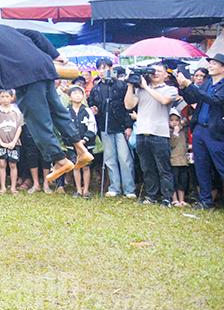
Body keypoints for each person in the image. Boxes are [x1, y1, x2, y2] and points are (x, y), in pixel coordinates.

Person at [0, 10, 92, 184]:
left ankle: (60, 160)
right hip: (44, 66)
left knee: (37, 121)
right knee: (57, 112)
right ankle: (82, 150)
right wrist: (56, 55)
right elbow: (36, 35)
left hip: (25, 75)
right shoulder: (5, 28)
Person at [174, 54, 224, 210]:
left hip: (215, 131)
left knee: (221, 166)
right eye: (210, 63)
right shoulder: (208, 83)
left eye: (214, 63)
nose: (211, 65)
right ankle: (205, 201)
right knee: (201, 166)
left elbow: (215, 100)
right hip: (200, 129)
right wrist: (184, 87)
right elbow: (193, 98)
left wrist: (191, 84)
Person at [124, 64, 178, 206]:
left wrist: (146, 87)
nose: (155, 74)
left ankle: (167, 198)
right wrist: (131, 85)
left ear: (166, 75)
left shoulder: (170, 89)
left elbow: (164, 100)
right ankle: (151, 196)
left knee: (163, 168)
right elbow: (129, 105)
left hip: (160, 134)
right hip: (142, 132)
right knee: (147, 168)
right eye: (152, 71)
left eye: (159, 71)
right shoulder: (141, 89)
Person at [90, 61, 135, 198]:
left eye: (105, 68)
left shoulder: (121, 85)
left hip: (120, 126)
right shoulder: (96, 89)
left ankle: (129, 188)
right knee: (109, 158)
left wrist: (128, 126)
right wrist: (94, 109)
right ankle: (114, 187)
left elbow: (128, 106)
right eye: (100, 68)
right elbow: (92, 104)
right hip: (105, 126)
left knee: (124, 158)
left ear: (111, 69)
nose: (103, 70)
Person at [0, 89, 24, 193]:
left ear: (12, 97)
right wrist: (0, 141)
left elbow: (19, 127)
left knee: (13, 164)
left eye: (7, 96)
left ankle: (13, 187)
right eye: (2, 97)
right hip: (1, 142)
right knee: (2, 163)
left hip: (14, 142)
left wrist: (14, 141)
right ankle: (3, 187)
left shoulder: (16, 111)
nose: (5, 99)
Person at [66, 85, 96, 198]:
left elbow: (92, 127)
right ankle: (78, 190)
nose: (78, 96)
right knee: (76, 166)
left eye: (80, 93)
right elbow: (64, 128)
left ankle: (86, 190)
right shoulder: (66, 111)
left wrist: (84, 140)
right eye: (74, 93)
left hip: (86, 144)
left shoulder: (87, 111)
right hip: (72, 145)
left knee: (86, 166)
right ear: (69, 97)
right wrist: (73, 141)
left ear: (83, 96)